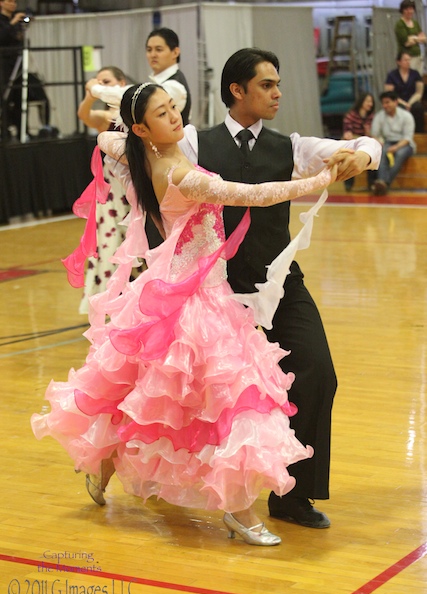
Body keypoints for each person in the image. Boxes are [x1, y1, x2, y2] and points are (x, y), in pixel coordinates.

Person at [31, 82, 338, 546]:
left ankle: (100, 468)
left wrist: (107, 92)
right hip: (196, 303)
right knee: (229, 404)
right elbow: (256, 194)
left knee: (136, 398)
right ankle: (239, 512)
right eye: (161, 113)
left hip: (174, 293)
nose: (175, 116)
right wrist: (322, 180)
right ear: (142, 127)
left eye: (173, 107)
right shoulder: (178, 174)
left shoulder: (136, 151)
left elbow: (105, 137)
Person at [100, 48, 382, 529]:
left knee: (317, 370)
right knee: (193, 397)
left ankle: (292, 495)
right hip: (216, 293)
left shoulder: (289, 145)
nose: (277, 93)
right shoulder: (190, 143)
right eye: (267, 84)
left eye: (277, 84)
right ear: (238, 90)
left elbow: (363, 147)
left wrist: (359, 153)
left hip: (277, 285)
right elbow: (133, 146)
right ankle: (169, 478)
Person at [77, 65, 132, 314]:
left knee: (135, 240)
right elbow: (84, 115)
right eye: (100, 82)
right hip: (112, 193)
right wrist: (90, 93)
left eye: (107, 81)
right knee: (110, 241)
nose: (102, 85)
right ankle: (110, 300)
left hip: (134, 188)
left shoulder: (133, 112)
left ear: (121, 83)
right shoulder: (105, 117)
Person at [0, 0, 49, 138]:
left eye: (14, 1)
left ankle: (25, 131)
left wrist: (24, 25)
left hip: (19, 64)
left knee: (22, 98)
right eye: (9, 1)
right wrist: (13, 23)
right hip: (4, 66)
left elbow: (22, 40)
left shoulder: (17, 22)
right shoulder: (7, 22)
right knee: (6, 99)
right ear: (1, 3)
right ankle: (5, 131)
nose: (13, 4)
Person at [371, 90, 416, 196]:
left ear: (395, 102)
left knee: (400, 154)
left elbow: (407, 138)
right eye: (383, 103)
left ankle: (384, 183)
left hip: (404, 144)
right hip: (387, 142)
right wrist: (380, 143)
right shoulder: (379, 116)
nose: (385, 105)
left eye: (388, 102)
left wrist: (396, 147)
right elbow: (374, 134)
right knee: (381, 153)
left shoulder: (406, 116)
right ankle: (382, 183)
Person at [145, 27, 191, 125]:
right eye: (149, 50)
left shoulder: (174, 85)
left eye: (159, 49)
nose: (153, 55)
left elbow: (144, 103)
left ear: (175, 52)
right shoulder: (158, 81)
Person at [342, 92, 376, 191]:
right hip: (354, 141)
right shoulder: (351, 115)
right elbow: (347, 131)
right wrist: (348, 134)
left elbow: (372, 134)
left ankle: (371, 183)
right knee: (349, 154)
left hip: (367, 142)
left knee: (372, 154)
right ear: (361, 102)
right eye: (368, 101)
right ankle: (348, 183)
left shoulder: (372, 117)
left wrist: (368, 133)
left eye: (371, 102)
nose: (370, 104)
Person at [385, 52, 425, 133]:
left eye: (409, 60)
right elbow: (389, 93)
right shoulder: (392, 75)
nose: (408, 62)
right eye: (405, 60)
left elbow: (419, 92)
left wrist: (409, 103)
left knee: (418, 108)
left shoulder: (415, 74)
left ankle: (419, 133)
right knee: (399, 109)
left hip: (412, 100)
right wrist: (403, 103)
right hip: (397, 101)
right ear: (399, 62)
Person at [394, 0, 427, 74]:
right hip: (407, 59)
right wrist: (417, 38)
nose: (410, 11)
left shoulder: (415, 23)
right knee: (408, 82)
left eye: (411, 9)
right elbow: (407, 43)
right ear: (402, 10)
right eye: (407, 9)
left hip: (418, 56)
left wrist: (413, 38)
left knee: (418, 80)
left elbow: (424, 39)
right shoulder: (400, 24)